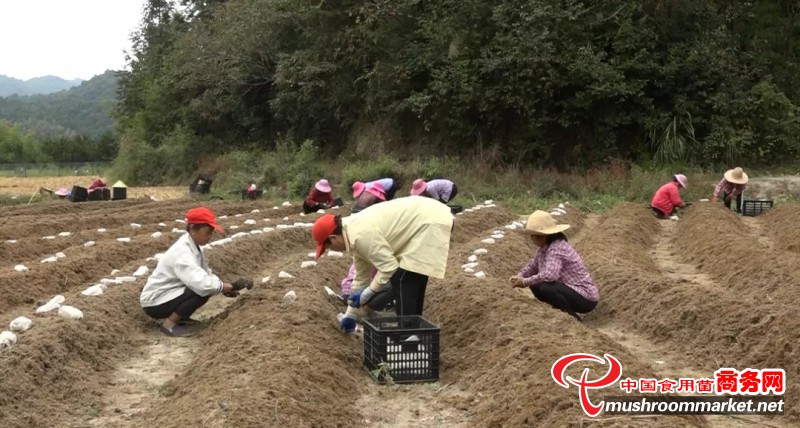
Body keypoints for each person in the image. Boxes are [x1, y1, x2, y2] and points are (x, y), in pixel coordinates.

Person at [312, 196, 454, 334]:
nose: (332, 250)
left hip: (429, 222)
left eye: (329, 247)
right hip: (426, 219)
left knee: (402, 278)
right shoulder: (352, 233)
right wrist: (350, 314)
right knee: (411, 278)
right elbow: (360, 278)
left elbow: (389, 268)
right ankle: (414, 332)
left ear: (333, 238)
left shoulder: (360, 235)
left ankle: (409, 336)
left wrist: (367, 293)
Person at [140, 207, 252, 337]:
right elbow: (201, 283)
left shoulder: (193, 246)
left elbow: (205, 273)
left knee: (207, 287)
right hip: (155, 302)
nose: (209, 236)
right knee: (200, 290)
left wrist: (223, 287)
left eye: (211, 232)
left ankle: (180, 318)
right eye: (207, 232)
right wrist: (231, 286)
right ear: (193, 229)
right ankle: (169, 325)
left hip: (169, 294)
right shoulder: (182, 252)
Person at [509, 211, 599, 321]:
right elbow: (532, 265)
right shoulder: (544, 248)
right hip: (571, 291)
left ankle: (571, 317)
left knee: (546, 287)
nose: (531, 239)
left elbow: (550, 276)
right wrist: (520, 276)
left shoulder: (557, 248)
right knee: (536, 282)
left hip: (586, 297)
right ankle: (557, 309)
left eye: (532, 236)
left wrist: (524, 281)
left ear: (541, 236)